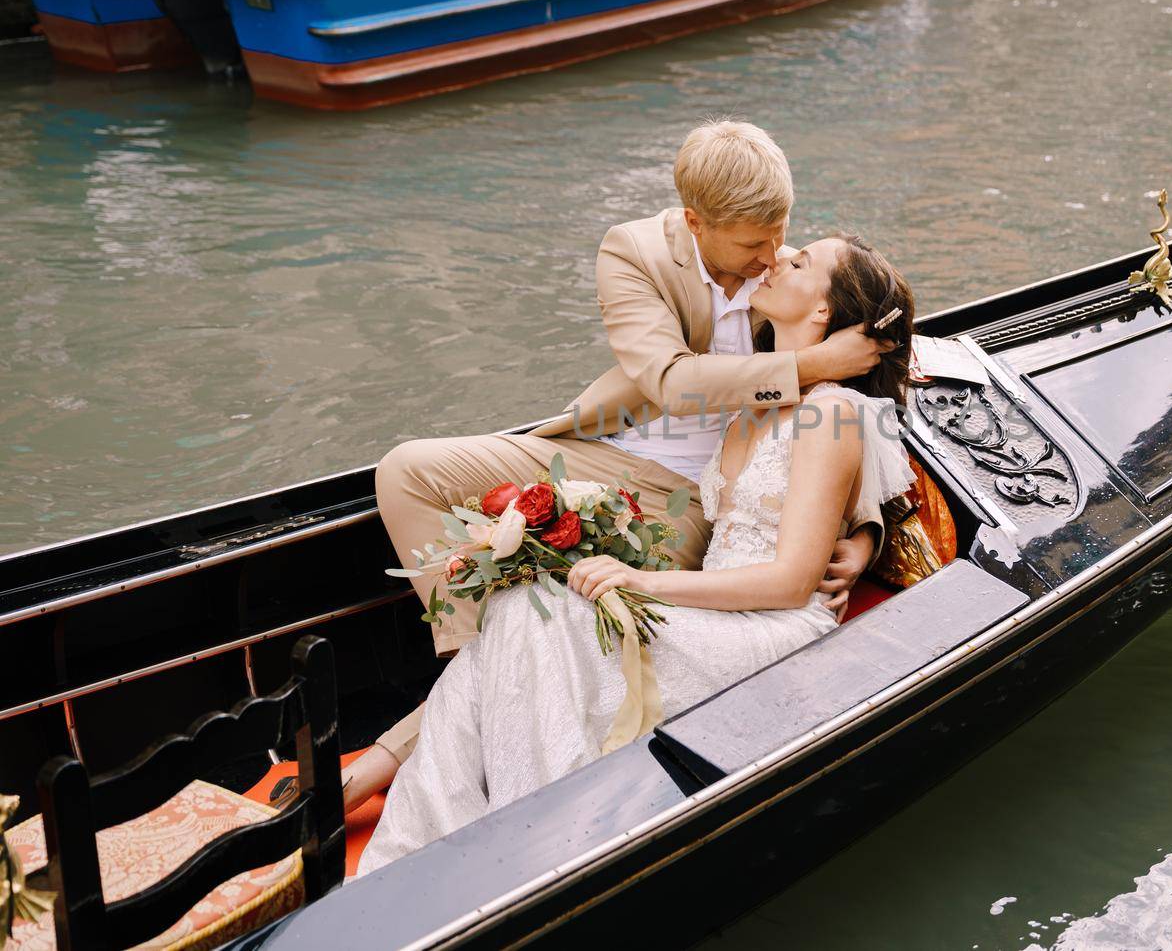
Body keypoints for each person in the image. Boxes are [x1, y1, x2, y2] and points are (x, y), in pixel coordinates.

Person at [342, 121, 891, 810]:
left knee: (538, 616)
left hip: (695, 504)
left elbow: (863, 403)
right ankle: (473, 679)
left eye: (782, 238)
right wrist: (813, 362)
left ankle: (407, 747)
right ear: (698, 220)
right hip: (607, 451)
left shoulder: (782, 263)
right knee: (406, 473)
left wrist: (865, 530)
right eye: (756, 244)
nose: (773, 256)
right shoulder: (635, 252)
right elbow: (674, 381)